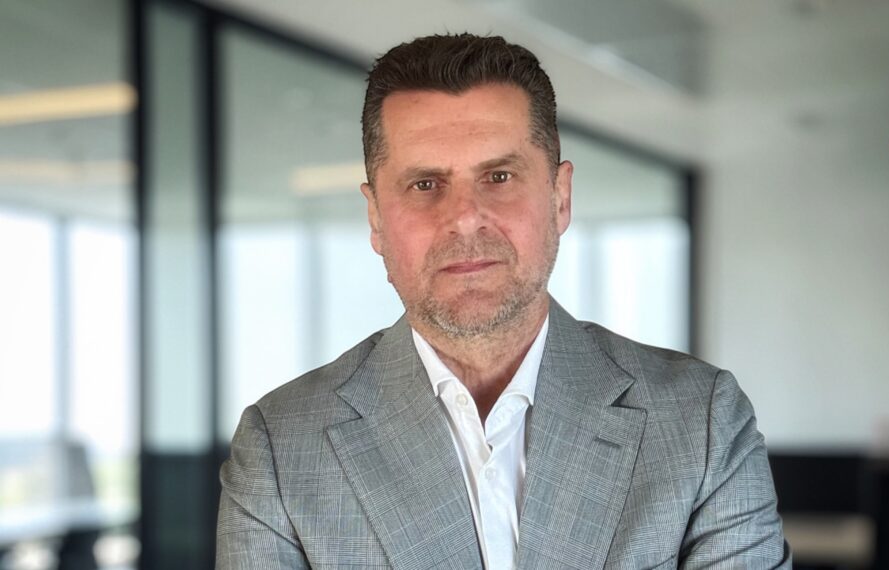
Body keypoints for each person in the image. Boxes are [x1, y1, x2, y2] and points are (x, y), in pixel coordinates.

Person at [217, 33, 791, 569]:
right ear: (376, 218)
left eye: (498, 177)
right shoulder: (281, 448)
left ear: (560, 198)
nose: (465, 218)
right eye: (425, 184)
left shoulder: (702, 422)